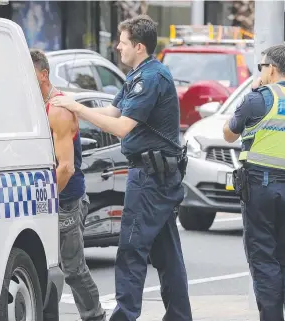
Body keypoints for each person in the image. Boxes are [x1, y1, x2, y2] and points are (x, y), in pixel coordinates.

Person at [52, 15, 193, 321]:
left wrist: (76, 108)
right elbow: (113, 110)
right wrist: (72, 102)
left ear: (138, 46)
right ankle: (180, 316)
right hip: (157, 176)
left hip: (151, 179)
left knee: (130, 251)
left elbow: (121, 127)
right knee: (167, 255)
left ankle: (125, 316)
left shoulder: (151, 79)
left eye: (123, 41)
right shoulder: (140, 75)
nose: (117, 47)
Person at [222, 44, 285, 321]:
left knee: (263, 257)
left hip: (261, 187)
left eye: (261, 66)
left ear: (272, 68)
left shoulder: (259, 98)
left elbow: (229, 133)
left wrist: (251, 92)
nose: (260, 72)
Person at [30, 49, 106, 321]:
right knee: (47, 266)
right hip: (52, 198)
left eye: (29, 73)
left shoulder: (59, 109)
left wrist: (45, 201)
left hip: (66, 200)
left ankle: (95, 316)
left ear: (43, 74)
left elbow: (66, 167)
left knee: (73, 268)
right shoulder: (37, 105)